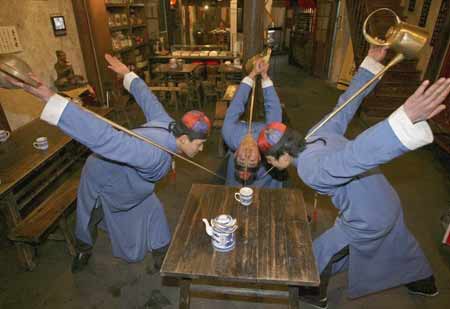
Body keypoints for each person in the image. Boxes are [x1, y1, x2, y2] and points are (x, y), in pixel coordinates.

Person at [257, 46, 450, 308]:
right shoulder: (314, 133)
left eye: (269, 160)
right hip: (385, 198)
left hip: (368, 217)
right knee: (399, 240)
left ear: (280, 156)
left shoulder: (309, 169)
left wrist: (402, 121)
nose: (270, 165)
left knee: (322, 249)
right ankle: (424, 281)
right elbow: (346, 104)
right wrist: (369, 64)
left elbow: (356, 156)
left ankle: (315, 293)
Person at [3, 54, 211, 273]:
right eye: (200, 144)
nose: (202, 149)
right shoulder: (154, 154)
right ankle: (83, 248)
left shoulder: (167, 123)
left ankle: (162, 256)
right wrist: (52, 99)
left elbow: (148, 99)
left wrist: (127, 75)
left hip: (133, 184)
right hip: (104, 178)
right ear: (185, 139)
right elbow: (106, 139)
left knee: (154, 210)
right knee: (88, 216)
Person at [222, 58, 285, 187]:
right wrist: (265, 77)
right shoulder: (269, 141)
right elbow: (273, 111)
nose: (247, 154)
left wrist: (252, 75)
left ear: (235, 154)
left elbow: (236, 105)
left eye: (241, 158)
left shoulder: (229, 135)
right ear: (259, 158)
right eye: (251, 160)